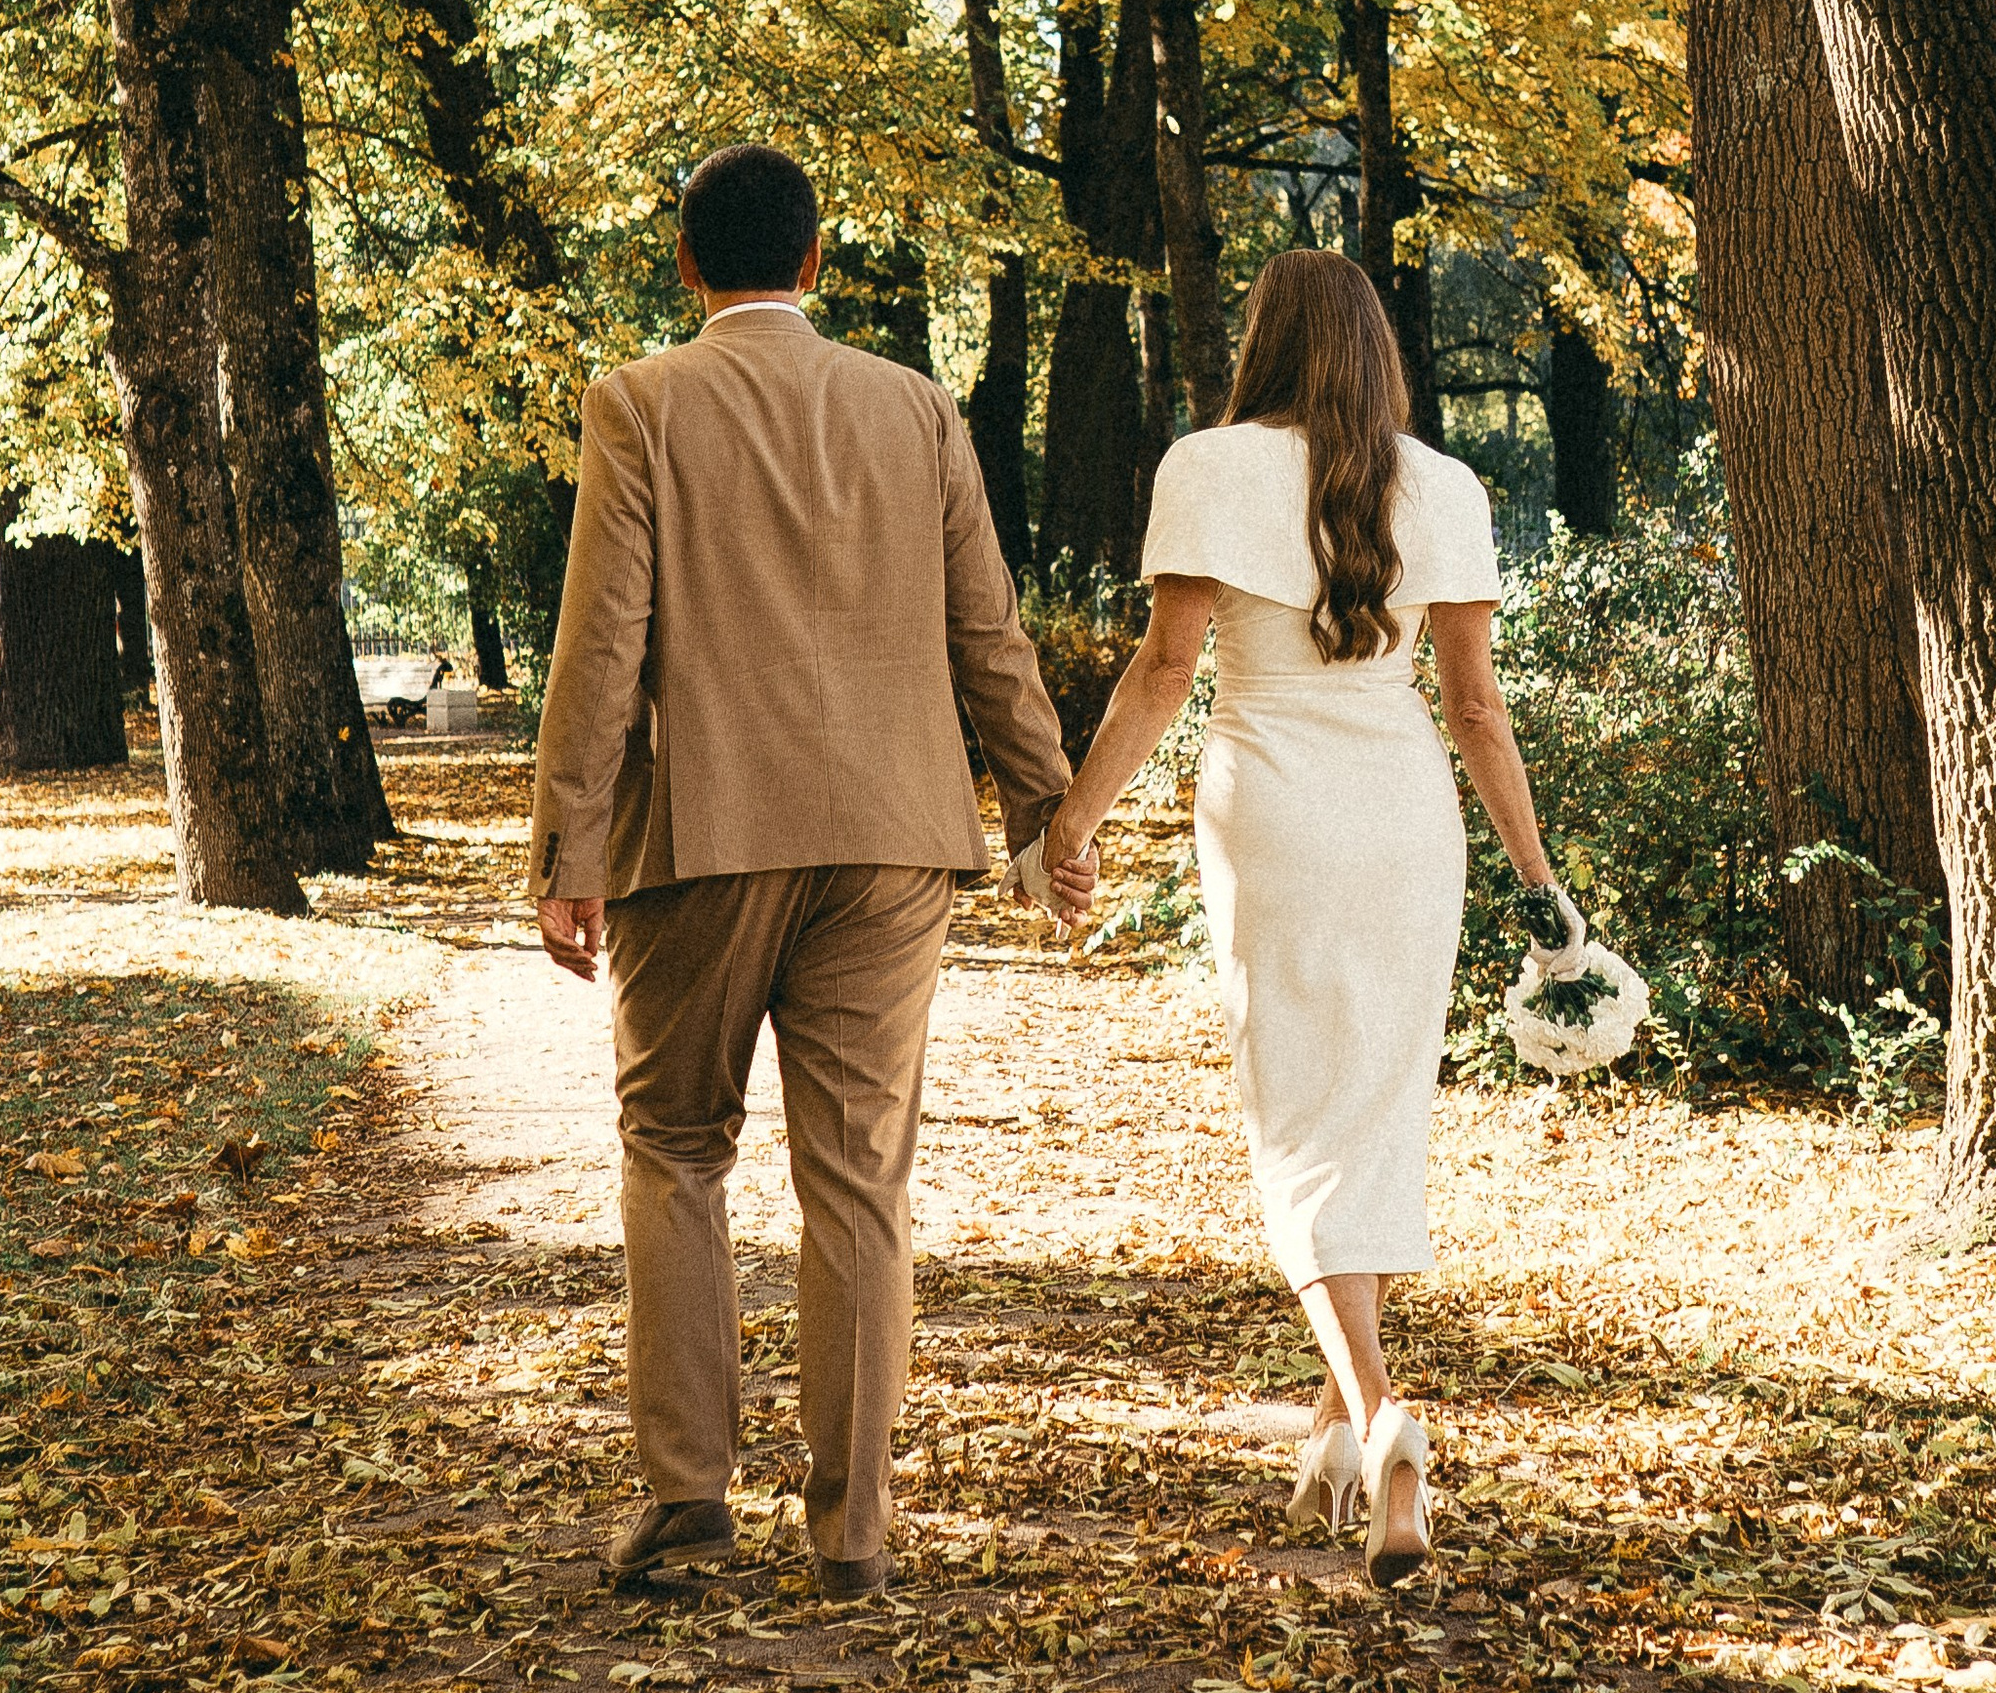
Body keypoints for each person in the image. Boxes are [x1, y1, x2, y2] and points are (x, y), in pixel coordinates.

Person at [528, 143, 1095, 1602]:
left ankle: (687, 1502)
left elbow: (602, 644)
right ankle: (853, 1531)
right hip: (896, 837)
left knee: (676, 1149)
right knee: (856, 1180)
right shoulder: (915, 409)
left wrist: (568, 852)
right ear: (819, 258)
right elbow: (990, 629)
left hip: (704, 835)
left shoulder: (640, 402)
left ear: (684, 262)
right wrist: (1045, 808)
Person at [1038, 248, 1571, 1588]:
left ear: (1262, 345)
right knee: (1374, 1109)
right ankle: (1344, 1426)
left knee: (1294, 1117)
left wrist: (1075, 819)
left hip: (1269, 804)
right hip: (1407, 820)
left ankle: (1384, 1414)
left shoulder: (1206, 467)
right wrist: (1540, 879)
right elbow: (1477, 711)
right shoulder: (1444, 487)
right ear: (1377, 351)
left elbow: (1164, 674)